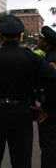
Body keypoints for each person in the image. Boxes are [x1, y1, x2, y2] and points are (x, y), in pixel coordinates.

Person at [0, 15, 56, 168]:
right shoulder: (33, 59)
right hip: (22, 114)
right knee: (21, 162)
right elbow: (53, 81)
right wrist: (46, 108)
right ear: (20, 36)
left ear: (0, 36)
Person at [36, 26, 56, 167]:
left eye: (40, 38)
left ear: (46, 42)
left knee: (49, 148)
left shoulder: (51, 60)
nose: (38, 40)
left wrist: (45, 109)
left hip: (52, 113)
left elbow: (52, 87)